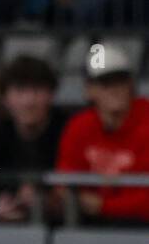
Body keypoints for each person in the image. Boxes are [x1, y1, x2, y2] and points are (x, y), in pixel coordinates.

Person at [56, 43, 149, 224]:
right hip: (88, 221)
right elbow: (64, 183)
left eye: (121, 81)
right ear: (89, 90)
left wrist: (103, 205)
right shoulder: (79, 126)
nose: (114, 89)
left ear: (131, 85)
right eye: (105, 83)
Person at [0, 55, 67, 222]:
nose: (28, 101)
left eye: (37, 90)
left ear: (51, 95)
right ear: (5, 98)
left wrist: (46, 200)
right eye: (19, 91)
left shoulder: (67, 132)